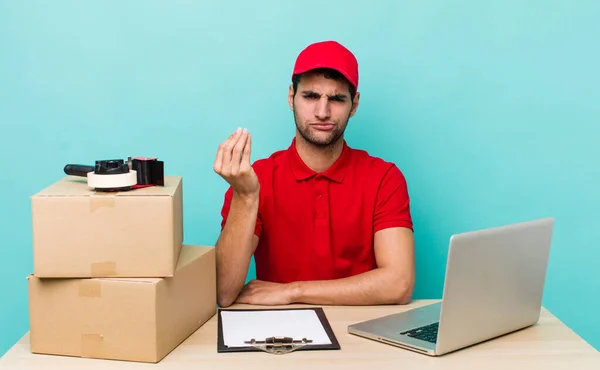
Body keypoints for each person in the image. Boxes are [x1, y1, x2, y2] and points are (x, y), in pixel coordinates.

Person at [213, 40, 415, 308]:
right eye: (310, 96)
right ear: (291, 97)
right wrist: (247, 196)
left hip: (361, 333)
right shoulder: (256, 179)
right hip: (280, 335)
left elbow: (398, 284)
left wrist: (293, 292)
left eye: (337, 99)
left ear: (354, 104)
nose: (323, 112)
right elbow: (224, 291)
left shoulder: (384, 178)